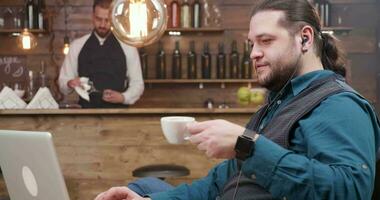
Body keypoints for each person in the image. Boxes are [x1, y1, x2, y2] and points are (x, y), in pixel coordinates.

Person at [95, 0, 380, 199]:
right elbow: (219, 182)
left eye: (266, 41)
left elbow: (350, 191)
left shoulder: (338, 105)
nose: (253, 53)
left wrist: (247, 145)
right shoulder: (276, 105)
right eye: (251, 44)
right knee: (142, 188)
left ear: (304, 39)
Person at [58, 0, 144, 108]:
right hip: (86, 115)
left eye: (107, 20)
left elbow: (137, 84)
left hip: (119, 116)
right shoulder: (77, 46)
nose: (103, 25)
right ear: (93, 17)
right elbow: (63, 81)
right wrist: (69, 83)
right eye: (99, 19)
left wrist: (123, 97)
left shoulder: (128, 47)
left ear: (114, 19)